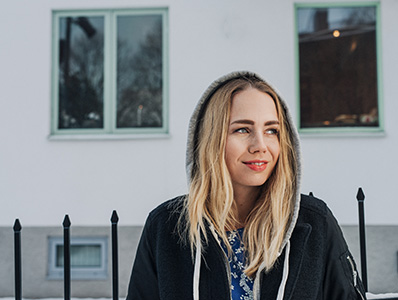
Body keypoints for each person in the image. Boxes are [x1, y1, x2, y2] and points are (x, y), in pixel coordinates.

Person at [126, 71, 366, 300]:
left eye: (272, 130)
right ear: (212, 139)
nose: (260, 145)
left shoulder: (314, 223)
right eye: (242, 129)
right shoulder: (166, 227)